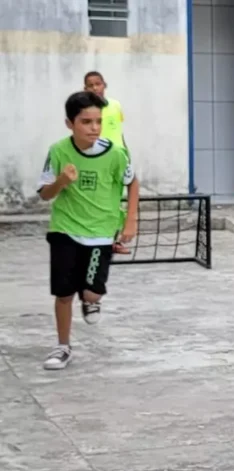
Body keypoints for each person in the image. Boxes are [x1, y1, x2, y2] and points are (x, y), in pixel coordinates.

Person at [37, 91, 139, 370]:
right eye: (86, 122)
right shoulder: (58, 151)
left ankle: (91, 300)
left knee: (92, 293)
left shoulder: (116, 154)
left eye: (98, 121)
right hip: (65, 230)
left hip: (101, 233)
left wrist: (131, 221)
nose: (94, 127)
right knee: (63, 294)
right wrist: (61, 180)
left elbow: (132, 183)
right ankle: (62, 346)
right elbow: (45, 195)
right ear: (70, 124)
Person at [84, 71, 133, 255]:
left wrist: (127, 154)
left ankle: (114, 241)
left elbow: (119, 132)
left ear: (104, 85)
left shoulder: (115, 105)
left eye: (98, 83)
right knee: (96, 202)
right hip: (98, 161)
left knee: (115, 202)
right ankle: (93, 241)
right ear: (85, 89)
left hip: (118, 160)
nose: (95, 88)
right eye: (91, 85)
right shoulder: (86, 110)